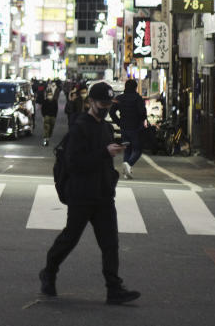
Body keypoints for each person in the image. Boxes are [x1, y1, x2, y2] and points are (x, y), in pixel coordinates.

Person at [39, 81, 141, 306]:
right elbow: (74, 163)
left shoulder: (106, 128)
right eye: (102, 103)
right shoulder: (80, 126)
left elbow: (102, 159)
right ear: (91, 102)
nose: (105, 107)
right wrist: (105, 152)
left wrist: (111, 162)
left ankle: (114, 289)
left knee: (110, 243)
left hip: (104, 194)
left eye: (108, 103)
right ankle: (49, 272)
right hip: (82, 194)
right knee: (70, 238)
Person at [111, 79, 148, 180]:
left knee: (127, 149)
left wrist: (119, 122)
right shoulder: (137, 98)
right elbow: (142, 113)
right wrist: (141, 120)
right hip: (135, 128)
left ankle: (126, 172)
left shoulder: (120, 98)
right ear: (135, 87)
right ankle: (128, 164)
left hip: (124, 127)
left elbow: (112, 111)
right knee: (137, 149)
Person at [41, 83, 58, 147]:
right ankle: (46, 139)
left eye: (51, 95)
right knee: (46, 127)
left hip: (53, 116)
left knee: (51, 128)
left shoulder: (54, 101)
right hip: (47, 116)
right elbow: (42, 109)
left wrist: (55, 116)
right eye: (49, 95)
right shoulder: (45, 101)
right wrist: (44, 115)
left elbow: (56, 109)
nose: (50, 96)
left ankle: (48, 136)